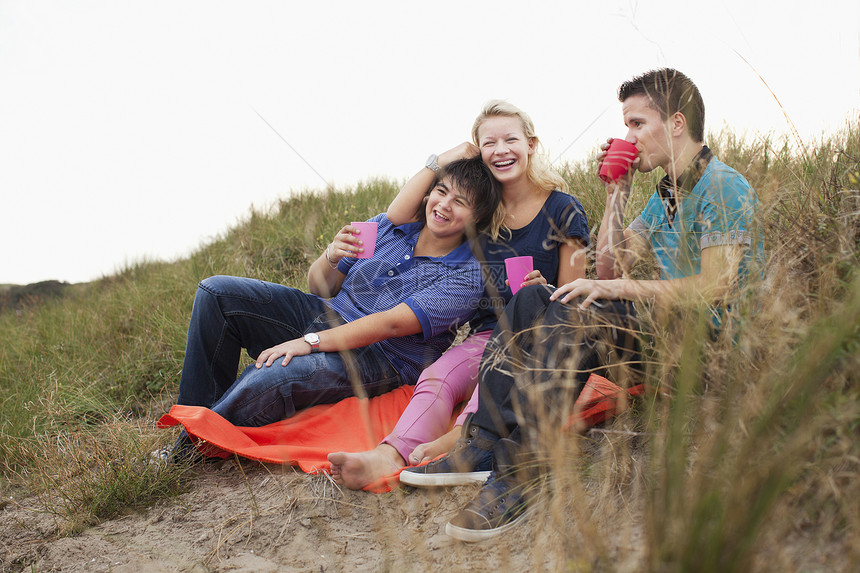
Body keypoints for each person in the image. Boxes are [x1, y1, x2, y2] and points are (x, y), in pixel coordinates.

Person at [401, 68, 762, 542]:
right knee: (532, 295)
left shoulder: (722, 186)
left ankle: (526, 472)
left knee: (581, 305)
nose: (626, 136)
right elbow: (611, 265)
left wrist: (614, 290)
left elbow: (714, 286)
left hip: (707, 350)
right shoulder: (668, 193)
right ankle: (484, 444)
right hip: (660, 336)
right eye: (626, 125)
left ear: (676, 123)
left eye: (637, 124)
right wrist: (617, 196)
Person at [328, 101, 590, 489]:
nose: (500, 150)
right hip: (486, 332)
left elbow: (573, 298)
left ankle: (460, 437)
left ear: (531, 144)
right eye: (489, 142)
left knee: (496, 377)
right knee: (438, 376)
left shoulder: (562, 208)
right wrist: (445, 158)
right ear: (478, 150)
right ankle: (388, 457)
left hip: (537, 330)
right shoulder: (479, 209)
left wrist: (544, 291)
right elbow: (398, 216)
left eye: (510, 139)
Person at [167, 157, 501, 461]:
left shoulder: (468, 275)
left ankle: (186, 451)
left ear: (477, 219)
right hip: (326, 312)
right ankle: (193, 419)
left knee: (272, 374)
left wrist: (308, 342)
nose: (444, 205)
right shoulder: (386, 226)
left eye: (460, 202)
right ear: (427, 194)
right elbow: (319, 287)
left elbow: (391, 325)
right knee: (217, 293)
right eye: (441, 192)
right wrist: (331, 255)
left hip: (381, 356)